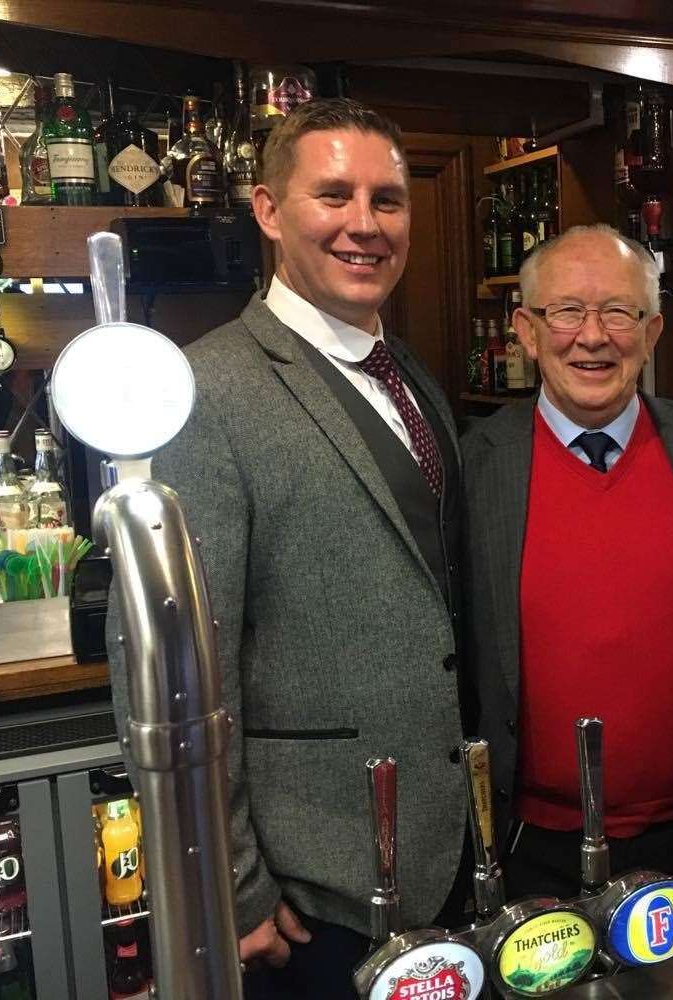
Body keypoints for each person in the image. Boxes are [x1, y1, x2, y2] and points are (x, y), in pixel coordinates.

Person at [107, 99, 468, 1000]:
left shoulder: (412, 377)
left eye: (387, 200)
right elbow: (177, 661)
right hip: (308, 890)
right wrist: (231, 885)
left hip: (441, 859)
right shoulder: (207, 391)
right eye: (333, 195)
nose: (364, 224)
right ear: (268, 211)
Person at [464, 225, 673, 944]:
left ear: (651, 331)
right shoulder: (469, 471)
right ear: (526, 331)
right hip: (530, 851)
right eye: (566, 312)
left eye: (618, 313)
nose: (593, 336)